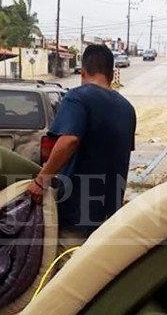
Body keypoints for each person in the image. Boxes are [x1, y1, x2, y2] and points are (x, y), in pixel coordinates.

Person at [26, 44, 137, 240]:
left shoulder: (77, 97)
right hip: (109, 220)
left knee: (68, 259)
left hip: (76, 217)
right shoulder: (127, 109)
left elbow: (69, 140)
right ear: (112, 74)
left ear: (83, 72)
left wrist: (41, 181)